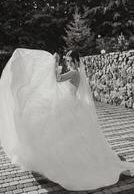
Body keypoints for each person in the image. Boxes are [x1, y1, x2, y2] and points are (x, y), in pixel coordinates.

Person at [0, 48, 134, 191]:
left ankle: (68, 162)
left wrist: (54, 62)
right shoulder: (75, 73)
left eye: (70, 61)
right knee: (64, 135)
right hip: (68, 103)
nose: (68, 63)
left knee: (64, 134)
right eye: (67, 60)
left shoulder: (74, 72)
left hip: (68, 104)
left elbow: (57, 79)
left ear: (76, 61)